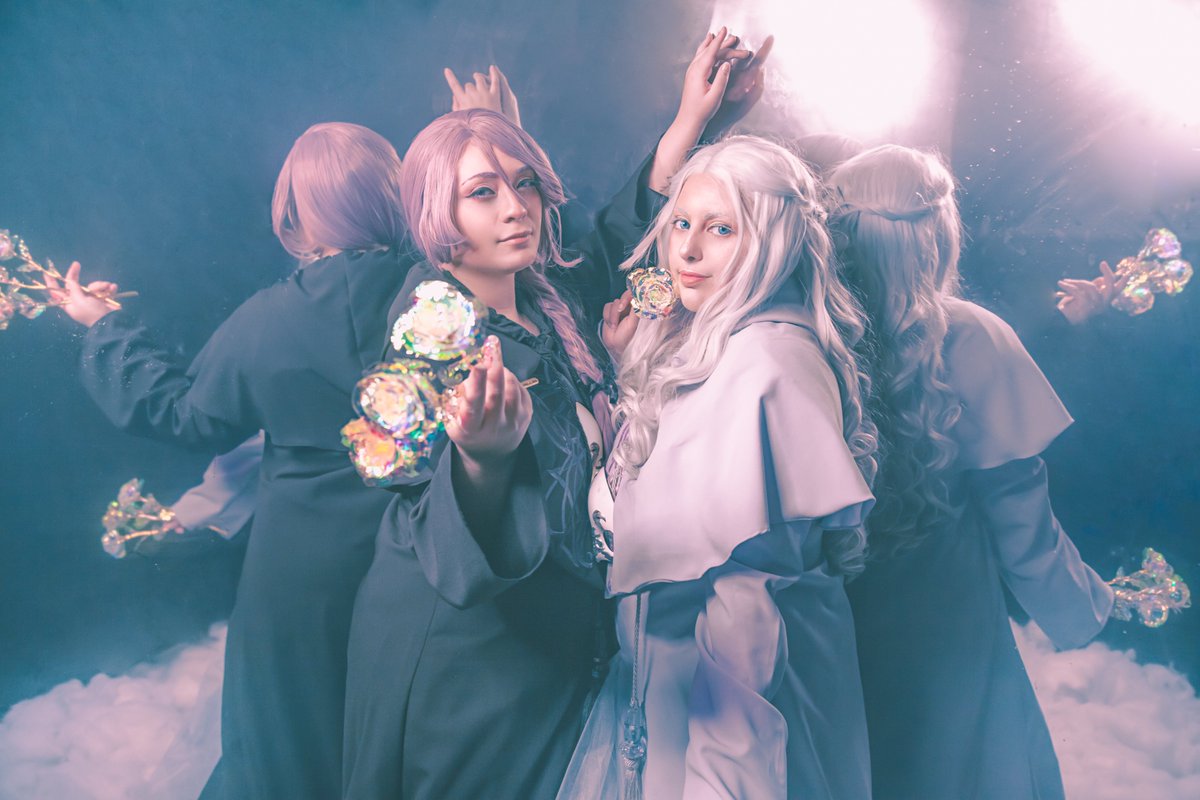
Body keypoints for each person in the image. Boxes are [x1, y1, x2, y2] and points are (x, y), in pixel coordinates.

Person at [341, 29, 767, 799]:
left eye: (526, 183)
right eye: (483, 192)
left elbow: (620, 254)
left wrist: (693, 124)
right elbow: (416, 504)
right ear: (435, 210)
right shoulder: (435, 325)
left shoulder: (546, 299)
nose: (517, 208)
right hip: (471, 667)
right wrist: (480, 460)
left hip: (557, 649)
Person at [50, 121, 413, 800]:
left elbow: (186, 415)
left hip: (296, 571)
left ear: (299, 211)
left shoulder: (269, 317)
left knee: (288, 743)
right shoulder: (440, 293)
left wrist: (102, 325)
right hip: (415, 553)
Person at [558, 135, 878, 800]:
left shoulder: (769, 370)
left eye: (721, 229)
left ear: (773, 242)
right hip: (661, 711)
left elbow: (746, 636)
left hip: (718, 747)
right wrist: (630, 364)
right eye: (680, 224)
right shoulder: (712, 341)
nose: (688, 251)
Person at [826, 144, 1114, 800]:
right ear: (938, 237)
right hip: (948, 618)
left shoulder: (800, 336)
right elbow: (1024, 525)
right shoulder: (975, 335)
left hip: (833, 614)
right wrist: (1088, 610)